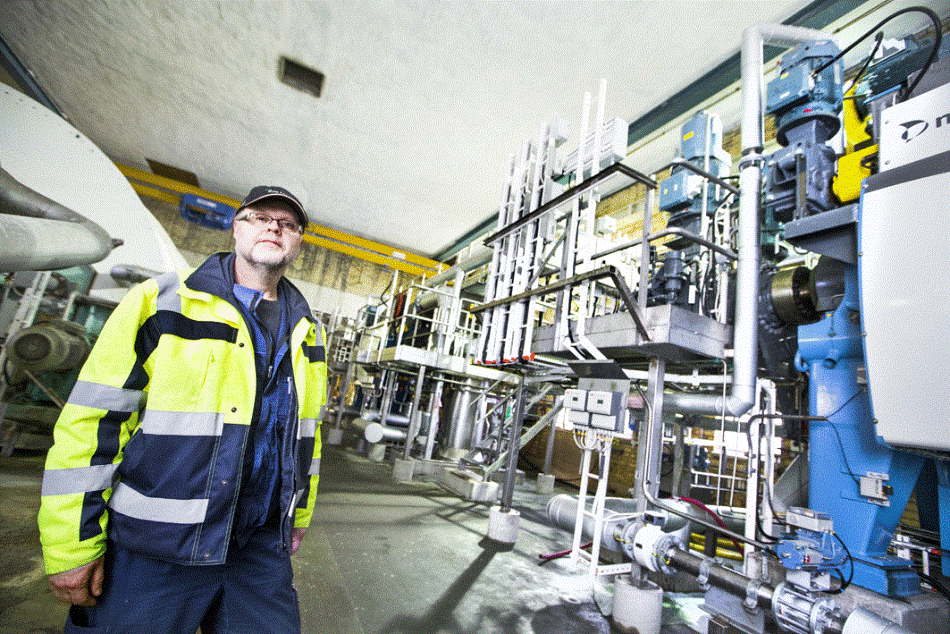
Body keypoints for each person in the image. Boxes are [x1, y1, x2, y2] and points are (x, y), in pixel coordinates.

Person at [37, 185, 328, 633]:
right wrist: (72, 545)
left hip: (257, 552)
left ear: (297, 243)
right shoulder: (162, 301)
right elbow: (93, 423)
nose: (274, 226)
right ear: (235, 228)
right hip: (156, 551)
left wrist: (299, 514)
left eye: (287, 224)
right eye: (259, 216)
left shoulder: (307, 331)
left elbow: (307, 436)